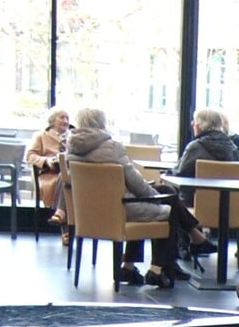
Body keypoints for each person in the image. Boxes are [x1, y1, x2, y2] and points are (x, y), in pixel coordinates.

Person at [64, 107, 212, 288]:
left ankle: (129, 266)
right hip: (121, 209)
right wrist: (158, 197)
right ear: (101, 123)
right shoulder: (113, 147)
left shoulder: (70, 149)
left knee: (165, 191)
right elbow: (136, 184)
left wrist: (157, 193)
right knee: (169, 206)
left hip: (88, 213)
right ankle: (158, 269)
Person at [174, 107, 239, 204]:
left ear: (199, 125)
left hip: (195, 203)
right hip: (229, 206)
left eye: (194, 121)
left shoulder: (196, 147)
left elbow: (179, 173)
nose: (192, 124)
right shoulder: (232, 147)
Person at [28, 106, 70, 236]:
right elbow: (30, 156)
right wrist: (46, 161)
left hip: (70, 172)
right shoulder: (40, 136)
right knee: (67, 183)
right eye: (61, 117)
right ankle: (66, 231)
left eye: (67, 118)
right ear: (52, 120)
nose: (65, 121)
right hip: (50, 174)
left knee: (68, 181)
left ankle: (61, 217)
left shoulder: (74, 136)